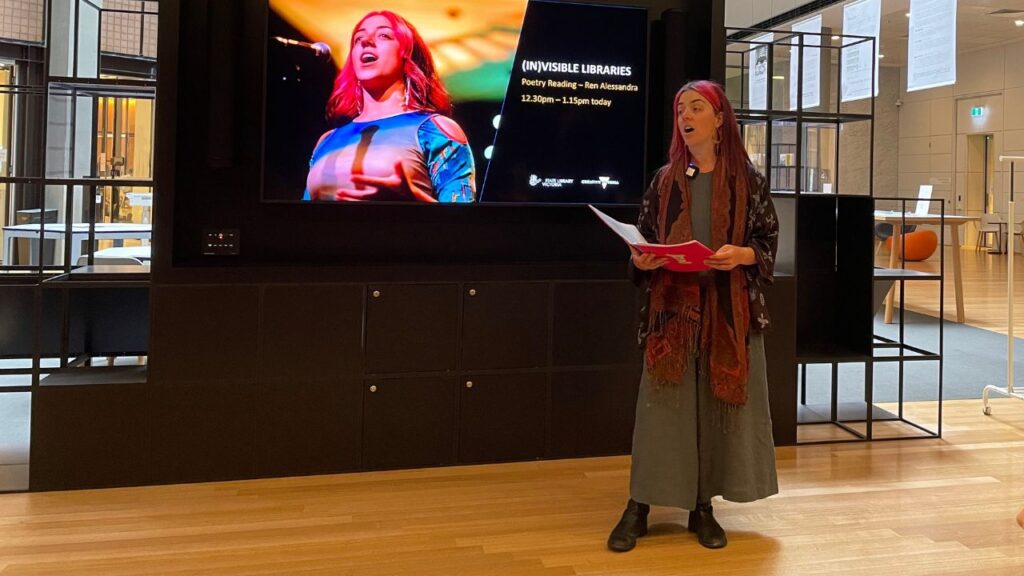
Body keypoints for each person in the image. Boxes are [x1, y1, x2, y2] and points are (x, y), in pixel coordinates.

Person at [607, 80, 780, 552]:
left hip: (728, 315)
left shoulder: (749, 181)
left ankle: (701, 508)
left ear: (719, 119)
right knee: (661, 412)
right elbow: (642, 239)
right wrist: (641, 258)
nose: (686, 115)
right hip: (672, 318)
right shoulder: (664, 181)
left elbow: (767, 245)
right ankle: (638, 507)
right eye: (681, 107)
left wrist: (743, 254)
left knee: (713, 413)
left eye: (697, 107)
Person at [304, 10, 475, 203]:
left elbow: (464, 220)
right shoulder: (326, 140)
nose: (365, 41)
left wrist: (414, 200)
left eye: (384, 35)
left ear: (407, 57)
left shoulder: (435, 130)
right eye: (358, 38)